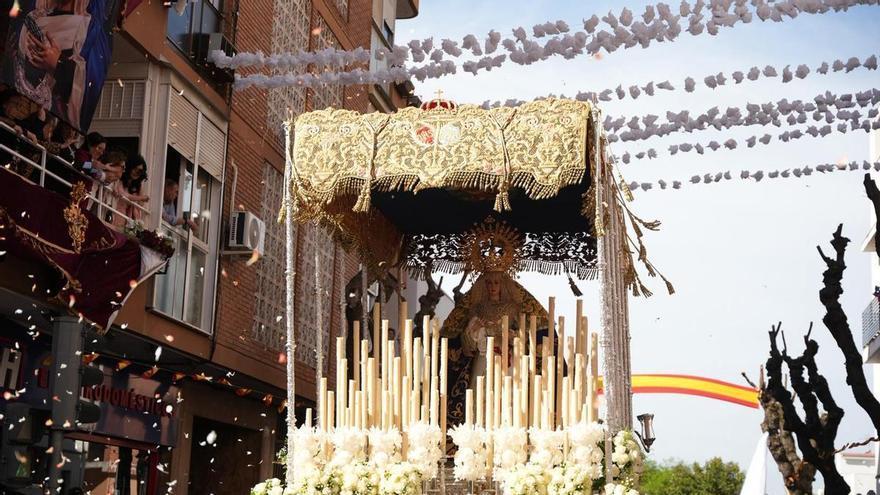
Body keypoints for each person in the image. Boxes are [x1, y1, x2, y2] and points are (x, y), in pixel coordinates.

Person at [112, 154, 149, 225]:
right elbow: (123, 194)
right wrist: (140, 197)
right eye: (135, 168)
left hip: (129, 221)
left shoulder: (137, 185)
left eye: (140, 171)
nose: (136, 172)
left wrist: (140, 193)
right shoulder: (120, 179)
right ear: (129, 167)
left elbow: (141, 203)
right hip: (117, 215)